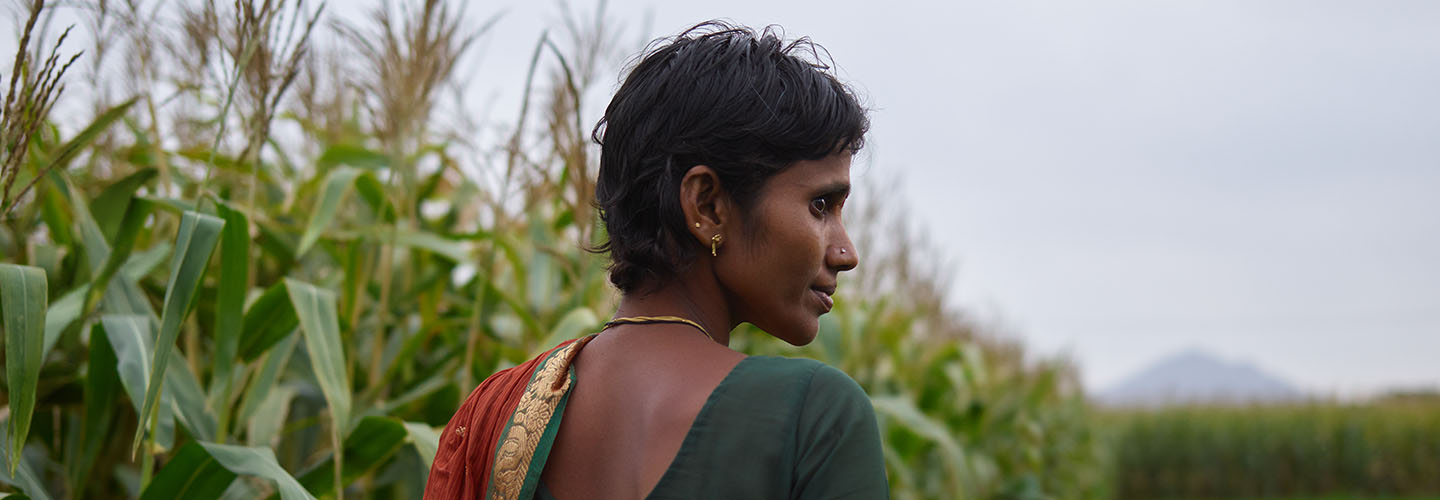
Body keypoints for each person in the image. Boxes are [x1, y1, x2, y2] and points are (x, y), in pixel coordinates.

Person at [424, 21, 888, 500]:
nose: (846, 252)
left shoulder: (492, 417)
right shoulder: (814, 416)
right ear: (706, 205)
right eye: (821, 205)